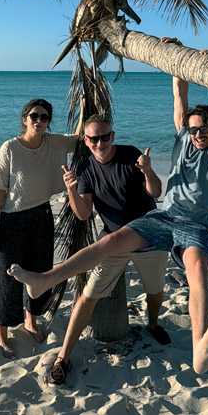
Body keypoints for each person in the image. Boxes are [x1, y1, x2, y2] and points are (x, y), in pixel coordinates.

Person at [10, 60, 208, 374]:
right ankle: (44, 280)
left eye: (203, 129)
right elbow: (178, 97)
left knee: (197, 271)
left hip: (195, 227)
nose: (197, 133)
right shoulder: (181, 140)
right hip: (164, 219)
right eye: (193, 128)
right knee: (111, 241)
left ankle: (199, 349)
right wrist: (179, 58)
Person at [47, 114, 166, 385]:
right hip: (113, 237)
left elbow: (156, 192)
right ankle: (63, 357)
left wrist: (148, 170)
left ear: (112, 136)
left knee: (154, 290)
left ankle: (154, 324)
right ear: (86, 141)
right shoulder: (86, 167)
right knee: (88, 296)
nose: (99, 142)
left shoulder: (131, 155)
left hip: (149, 234)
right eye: (93, 138)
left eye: (104, 137)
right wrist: (71, 191)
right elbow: (83, 214)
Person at [0, 98, 78, 359]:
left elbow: (79, 138)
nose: (39, 120)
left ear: (49, 122)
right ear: (24, 119)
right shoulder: (11, 148)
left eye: (45, 117)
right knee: (5, 278)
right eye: (34, 116)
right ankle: (1, 334)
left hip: (41, 216)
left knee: (39, 272)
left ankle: (31, 322)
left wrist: (84, 104)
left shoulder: (53, 142)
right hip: (10, 219)